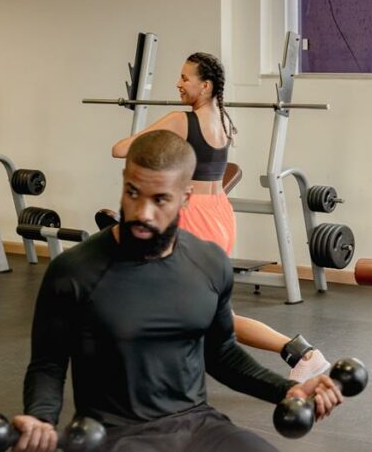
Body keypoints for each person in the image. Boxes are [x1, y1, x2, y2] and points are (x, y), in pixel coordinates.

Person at [13, 130, 343, 452]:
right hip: (115, 442)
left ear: (187, 197)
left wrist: (290, 390)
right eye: (133, 193)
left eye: (160, 200)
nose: (143, 213)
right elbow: (47, 364)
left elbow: (222, 355)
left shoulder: (208, 264)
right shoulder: (75, 272)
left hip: (196, 427)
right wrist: (40, 419)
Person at [109, 52, 330, 383]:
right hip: (220, 214)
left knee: (212, 312)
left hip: (193, 217)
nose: (179, 83)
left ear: (206, 85)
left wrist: (148, 137)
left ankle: (302, 353)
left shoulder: (181, 121)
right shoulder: (225, 121)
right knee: (194, 303)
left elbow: (120, 149)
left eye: (186, 78)